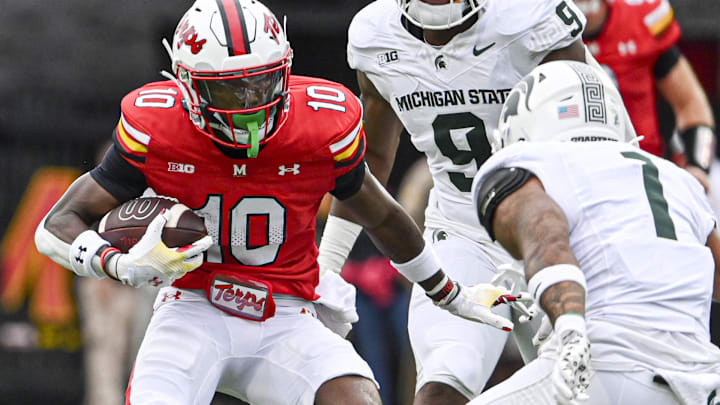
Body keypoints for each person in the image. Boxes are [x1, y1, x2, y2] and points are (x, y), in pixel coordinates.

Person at [32, 0, 524, 404]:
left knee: (358, 399)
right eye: (231, 90)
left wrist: (450, 293)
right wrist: (118, 264)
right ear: (187, 87)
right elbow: (58, 221)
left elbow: (383, 216)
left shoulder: (320, 122)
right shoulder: (157, 125)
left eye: (261, 81)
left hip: (287, 312)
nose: (250, 103)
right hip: (192, 307)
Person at [317, 1, 636, 404]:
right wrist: (326, 270)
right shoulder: (377, 36)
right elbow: (371, 162)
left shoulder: (530, 17)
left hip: (557, 227)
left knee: (581, 391)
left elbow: (598, 140)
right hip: (463, 230)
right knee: (441, 386)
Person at [469, 60, 720, 404]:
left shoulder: (535, 160)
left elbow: (545, 231)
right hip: (702, 383)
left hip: (606, 367)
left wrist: (571, 328)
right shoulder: (678, 180)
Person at [576, 0, 716, 191]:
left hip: (645, 176)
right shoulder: (535, 28)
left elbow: (690, 103)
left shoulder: (642, 18)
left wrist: (697, 166)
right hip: (573, 176)